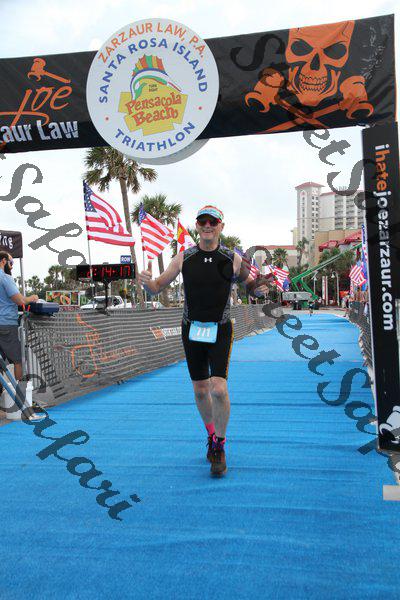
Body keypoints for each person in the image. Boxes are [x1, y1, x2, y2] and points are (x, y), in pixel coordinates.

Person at [139, 206, 269, 477]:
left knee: (218, 389)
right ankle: (211, 435)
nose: (207, 225)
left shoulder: (232, 258)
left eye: (213, 221)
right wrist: (145, 282)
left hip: (220, 329)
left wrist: (261, 287)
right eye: (203, 221)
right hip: (191, 329)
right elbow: (156, 287)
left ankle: (220, 445)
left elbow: (252, 287)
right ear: (197, 226)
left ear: (221, 226)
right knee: (200, 391)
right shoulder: (184, 258)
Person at [0, 252, 38, 409]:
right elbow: (19, 300)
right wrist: (32, 298)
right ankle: (21, 400)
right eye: (11, 262)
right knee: (18, 360)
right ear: (3, 261)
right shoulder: (5, 278)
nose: (12, 266)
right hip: (6, 324)